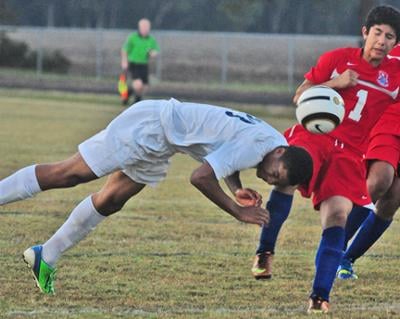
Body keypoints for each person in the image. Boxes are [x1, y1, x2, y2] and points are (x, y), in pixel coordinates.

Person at [0, 98, 313, 295]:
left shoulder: (270, 141)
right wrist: (236, 210)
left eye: (274, 181)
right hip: (150, 125)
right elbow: (200, 177)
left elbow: (224, 154)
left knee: (112, 200)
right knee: (69, 174)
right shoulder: (259, 146)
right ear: (280, 152)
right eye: (274, 173)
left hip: (161, 140)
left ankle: (47, 254)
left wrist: (236, 187)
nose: (269, 178)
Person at [251, 5, 400, 314]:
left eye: (389, 37)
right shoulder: (337, 59)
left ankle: (319, 296)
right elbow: (300, 94)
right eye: (377, 33)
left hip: (349, 155)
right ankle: (265, 250)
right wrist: (337, 83)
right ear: (365, 33)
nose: (382, 41)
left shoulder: (394, 75)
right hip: (315, 136)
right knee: (287, 174)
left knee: (337, 218)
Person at [120, 18, 159, 105]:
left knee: (144, 87)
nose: (145, 28)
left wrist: (153, 53)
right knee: (138, 84)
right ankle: (137, 103)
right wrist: (124, 61)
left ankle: (128, 95)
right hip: (134, 64)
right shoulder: (133, 37)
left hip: (144, 65)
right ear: (139, 27)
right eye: (143, 26)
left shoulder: (151, 39)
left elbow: (155, 51)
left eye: (147, 27)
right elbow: (124, 50)